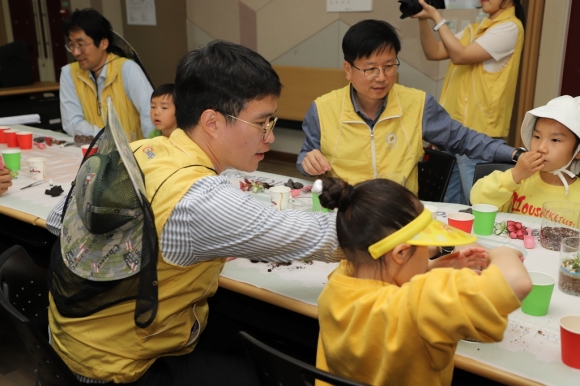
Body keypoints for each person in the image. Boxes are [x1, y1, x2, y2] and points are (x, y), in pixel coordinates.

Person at [45, 40, 344, 385]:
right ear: (212, 122)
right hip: (121, 368)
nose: (271, 136)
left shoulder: (141, 150)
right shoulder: (200, 198)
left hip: (68, 342)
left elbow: (59, 221)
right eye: (263, 123)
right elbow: (324, 236)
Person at [315, 177, 532, 386]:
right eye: (425, 244)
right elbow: (515, 282)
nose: (430, 251)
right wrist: (503, 253)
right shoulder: (416, 309)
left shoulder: (339, 279)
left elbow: (386, 289)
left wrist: (429, 268)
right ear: (401, 253)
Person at [296, 19, 518, 195]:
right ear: (348, 69)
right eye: (371, 68)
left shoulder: (419, 105)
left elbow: (464, 139)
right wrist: (307, 162)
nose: (381, 77)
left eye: (389, 66)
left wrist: (515, 154)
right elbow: (306, 155)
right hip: (344, 214)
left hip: (399, 214)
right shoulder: (322, 109)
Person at [414, 0, 525, 204]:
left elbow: (460, 55)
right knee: (448, 203)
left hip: (477, 134)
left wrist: (437, 16)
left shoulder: (509, 28)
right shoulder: (475, 29)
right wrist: (423, 19)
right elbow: (434, 52)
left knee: (476, 203)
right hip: (452, 129)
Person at [471, 95, 580, 215]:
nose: (541, 148)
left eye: (555, 140)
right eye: (537, 137)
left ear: (578, 152)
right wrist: (515, 175)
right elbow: (478, 201)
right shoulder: (520, 180)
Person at [59, 8, 154, 142]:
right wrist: (110, 139)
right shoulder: (69, 73)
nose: (75, 52)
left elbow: (150, 116)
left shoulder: (127, 69)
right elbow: (72, 123)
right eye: (71, 45)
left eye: (81, 45)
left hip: (133, 155)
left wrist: (149, 151)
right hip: (93, 155)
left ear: (104, 43)